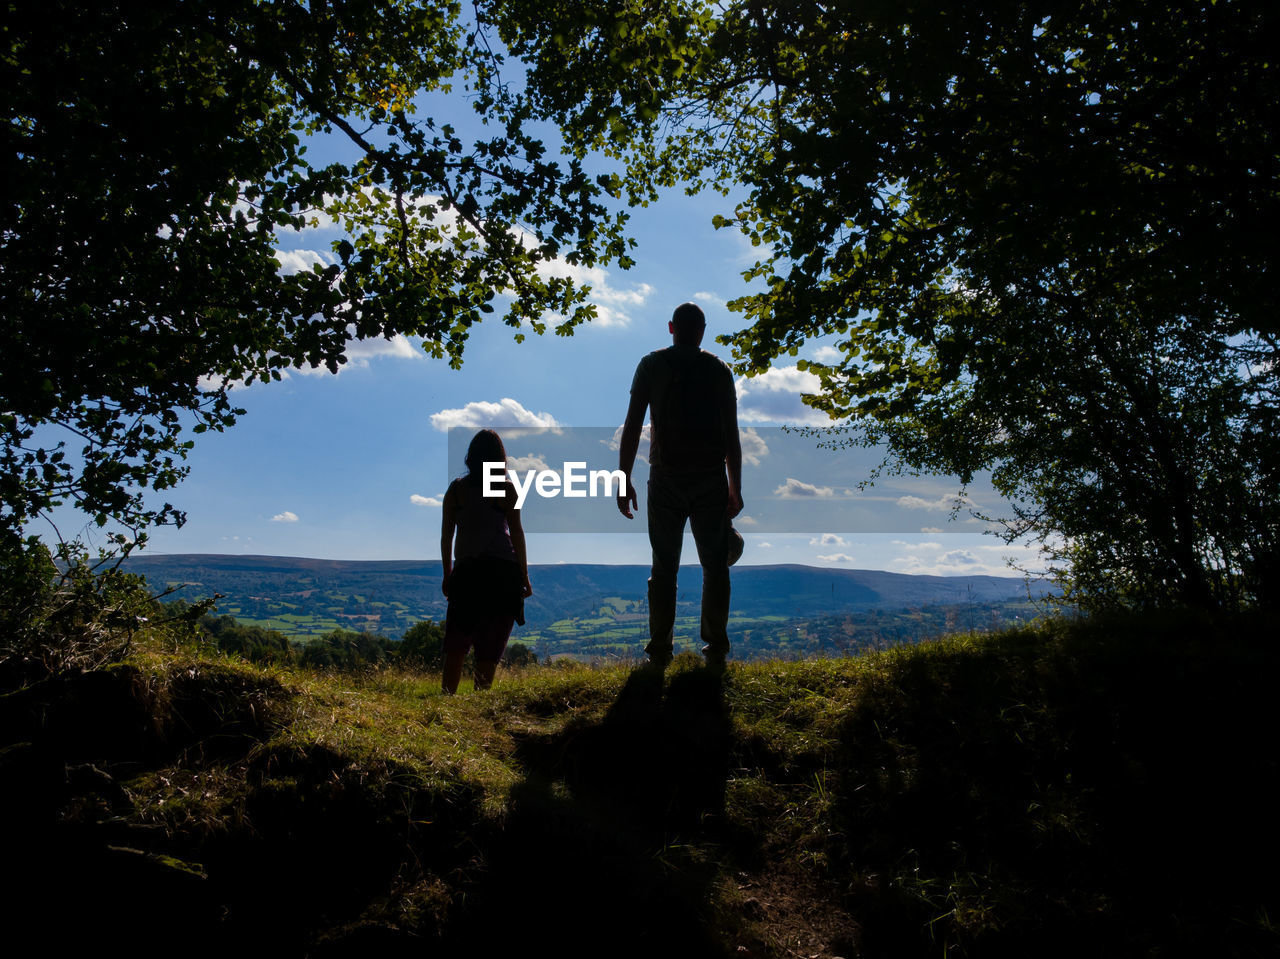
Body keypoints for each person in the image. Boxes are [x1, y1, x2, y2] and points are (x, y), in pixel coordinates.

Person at [617, 302, 743, 669]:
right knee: (715, 567)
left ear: (671, 327)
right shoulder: (719, 371)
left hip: (666, 478)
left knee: (664, 568)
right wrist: (735, 487)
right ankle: (715, 649)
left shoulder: (651, 365)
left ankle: (659, 651)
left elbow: (632, 427)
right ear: (703, 330)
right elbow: (731, 437)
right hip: (709, 479)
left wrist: (623, 479)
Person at [439, 429, 532, 693]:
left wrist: (448, 575)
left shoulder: (456, 491)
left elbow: (447, 537)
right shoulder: (507, 489)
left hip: (467, 573)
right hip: (503, 574)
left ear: (471, 458)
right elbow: (517, 534)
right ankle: (479, 711)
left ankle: (446, 704)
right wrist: (524, 575)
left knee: (457, 644)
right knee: (489, 650)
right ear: (500, 459)